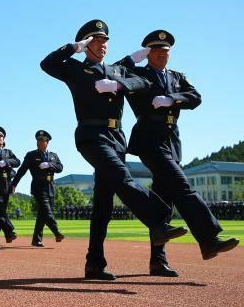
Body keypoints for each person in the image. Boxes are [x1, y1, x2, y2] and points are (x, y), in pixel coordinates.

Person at [40, 19, 187, 280]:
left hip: (116, 138)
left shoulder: (116, 70)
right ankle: (158, 221)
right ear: (86, 44)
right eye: (96, 40)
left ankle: (94, 264)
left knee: (104, 205)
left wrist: (128, 69)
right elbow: (47, 64)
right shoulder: (75, 69)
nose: (103, 44)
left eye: (105, 40)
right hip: (91, 135)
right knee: (121, 176)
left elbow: (136, 77)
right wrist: (74, 47)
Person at [116, 30, 239, 275]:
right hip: (149, 138)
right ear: (148, 53)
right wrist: (131, 59)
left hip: (172, 140)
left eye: (166, 51)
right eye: (157, 50)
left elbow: (195, 97)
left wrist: (172, 99)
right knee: (183, 187)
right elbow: (112, 72)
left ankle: (157, 261)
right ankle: (209, 238)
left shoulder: (177, 77)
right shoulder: (138, 73)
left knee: (165, 198)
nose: (162, 54)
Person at [11, 130, 64, 247]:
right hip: (38, 188)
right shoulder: (31, 155)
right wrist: (14, 184)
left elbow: (60, 167)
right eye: (38, 140)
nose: (39, 142)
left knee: (42, 215)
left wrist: (50, 164)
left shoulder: (53, 156)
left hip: (50, 187)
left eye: (42, 140)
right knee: (47, 211)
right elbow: (21, 171)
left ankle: (36, 239)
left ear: (47, 142)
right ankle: (57, 232)